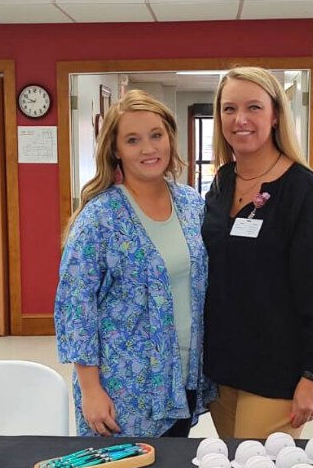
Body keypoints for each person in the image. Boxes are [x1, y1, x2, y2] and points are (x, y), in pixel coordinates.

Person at [202, 67, 313, 439]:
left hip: (277, 371)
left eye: (254, 107)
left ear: (275, 116)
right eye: (228, 109)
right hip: (222, 368)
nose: (240, 119)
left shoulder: (304, 191)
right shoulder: (221, 184)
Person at [55, 91, 214, 438]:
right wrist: (91, 389)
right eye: (133, 139)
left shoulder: (190, 205)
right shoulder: (99, 218)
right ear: (115, 149)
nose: (148, 148)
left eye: (156, 135)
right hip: (121, 389)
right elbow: (76, 309)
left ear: (170, 138)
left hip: (181, 376)